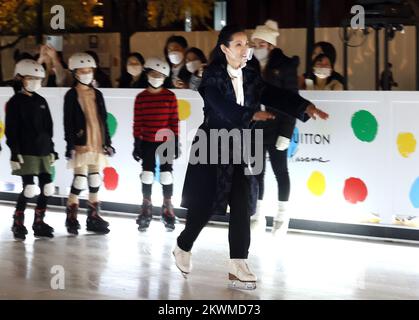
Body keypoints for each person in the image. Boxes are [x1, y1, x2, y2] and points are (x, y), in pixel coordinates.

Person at [173, 25, 329, 290]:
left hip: (241, 146)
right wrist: (249, 115)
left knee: (242, 202)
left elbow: (274, 94)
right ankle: (183, 245)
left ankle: (238, 263)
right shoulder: (212, 76)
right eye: (239, 45)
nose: (246, 49)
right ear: (224, 49)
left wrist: (304, 106)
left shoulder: (251, 76)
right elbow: (218, 105)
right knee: (205, 207)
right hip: (212, 144)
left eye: (247, 44)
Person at [250, 19, 300, 234]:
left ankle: (282, 215)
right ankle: (257, 215)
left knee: (280, 171)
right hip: (256, 127)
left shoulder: (285, 66)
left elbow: (292, 100)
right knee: (256, 172)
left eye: (262, 43)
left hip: (278, 126)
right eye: (255, 43)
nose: (257, 47)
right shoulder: (249, 65)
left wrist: (286, 133)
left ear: (271, 45)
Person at [5, 59, 58, 240]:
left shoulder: (41, 101)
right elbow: (11, 129)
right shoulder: (15, 102)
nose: (34, 81)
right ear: (20, 78)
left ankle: (39, 221)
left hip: (43, 150)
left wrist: (52, 150)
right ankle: (18, 222)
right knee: (29, 189)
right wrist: (14, 151)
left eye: (38, 78)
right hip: (25, 151)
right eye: (30, 77)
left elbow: (48, 128)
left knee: (48, 188)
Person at [63, 52, 115, 235]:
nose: (86, 73)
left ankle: (93, 216)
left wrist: (108, 142)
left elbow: (103, 119)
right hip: (81, 142)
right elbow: (67, 122)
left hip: (97, 141)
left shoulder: (97, 93)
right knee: (80, 179)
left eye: (89, 70)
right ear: (75, 73)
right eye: (82, 71)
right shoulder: (71, 95)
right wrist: (69, 145)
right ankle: (71, 213)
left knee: (95, 178)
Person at [132, 57, 180, 232]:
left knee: (167, 174)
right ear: (147, 75)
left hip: (166, 141)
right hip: (147, 141)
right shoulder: (141, 98)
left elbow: (174, 121)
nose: (156, 77)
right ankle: (146, 206)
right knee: (147, 174)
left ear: (165, 76)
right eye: (153, 74)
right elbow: (137, 122)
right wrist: (136, 142)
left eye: (160, 75)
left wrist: (176, 142)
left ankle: (168, 207)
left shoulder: (170, 96)